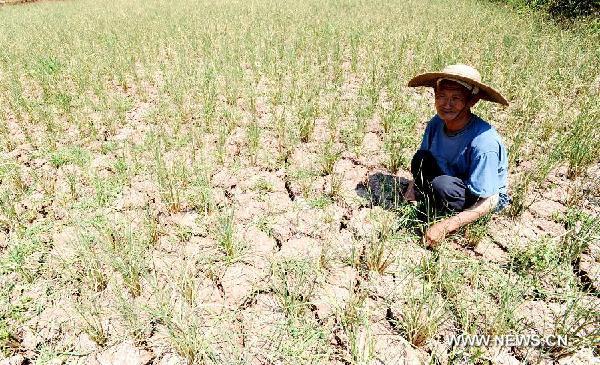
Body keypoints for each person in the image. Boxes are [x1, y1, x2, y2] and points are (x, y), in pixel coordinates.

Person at [403, 64, 510, 247]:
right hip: (451, 178)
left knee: (442, 186)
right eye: (441, 96)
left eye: (456, 98)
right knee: (420, 159)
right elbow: (424, 157)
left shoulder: (484, 142)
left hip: (480, 195)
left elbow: (491, 199)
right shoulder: (436, 124)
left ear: (472, 101)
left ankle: (448, 210)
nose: (446, 104)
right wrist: (410, 193)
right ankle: (437, 198)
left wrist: (445, 227)